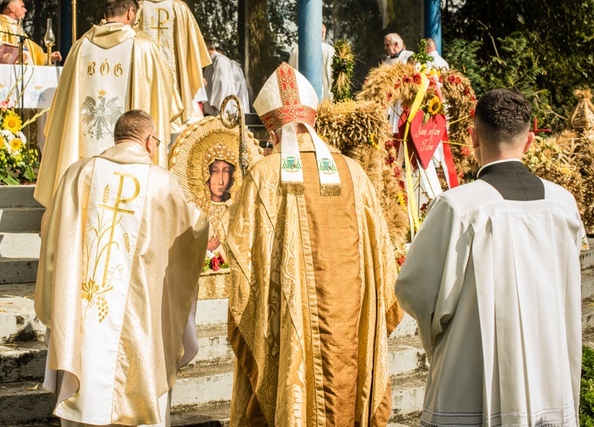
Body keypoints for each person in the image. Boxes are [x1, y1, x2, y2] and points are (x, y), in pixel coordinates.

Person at [226, 62, 403, 426]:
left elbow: (242, 258)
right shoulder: (353, 172)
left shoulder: (264, 174)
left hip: (292, 335)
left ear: (273, 131)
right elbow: (384, 255)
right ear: (313, 122)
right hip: (352, 332)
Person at [396, 88, 586, 426]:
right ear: (529, 140)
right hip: (551, 381)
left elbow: (416, 291)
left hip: (472, 381)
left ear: (472, 137)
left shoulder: (459, 207)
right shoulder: (563, 205)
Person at [35, 109, 209, 427]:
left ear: (117, 138)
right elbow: (192, 234)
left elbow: (50, 232)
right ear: (148, 141)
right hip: (140, 321)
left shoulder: (77, 175)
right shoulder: (164, 184)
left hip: (84, 312)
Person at [34, 0, 181, 208]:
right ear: (131, 13)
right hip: (130, 161)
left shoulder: (80, 46)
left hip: (84, 155)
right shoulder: (144, 47)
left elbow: (63, 104)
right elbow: (164, 93)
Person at [135, 0, 211, 131]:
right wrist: (195, 72)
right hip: (176, 81)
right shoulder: (180, 8)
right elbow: (194, 46)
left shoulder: (137, 9)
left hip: (146, 79)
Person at [0, 0, 61, 65]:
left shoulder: (18, 29)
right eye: (22, 6)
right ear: (12, 8)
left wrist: (48, 57)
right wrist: (14, 57)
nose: (25, 10)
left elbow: (33, 52)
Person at [288, 23, 336, 100]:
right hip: (323, 100)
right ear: (322, 33)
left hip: (301, 99)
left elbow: (290, 76)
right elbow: (332, 75)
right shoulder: (329, 50)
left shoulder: (296, 51)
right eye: (323, 32)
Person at [203, 41, 249, 115]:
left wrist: (215, 103)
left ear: (207, 47)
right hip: (212, 110)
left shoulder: (220, 60)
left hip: (220, 109)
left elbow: (221, 83)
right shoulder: (210, 63)